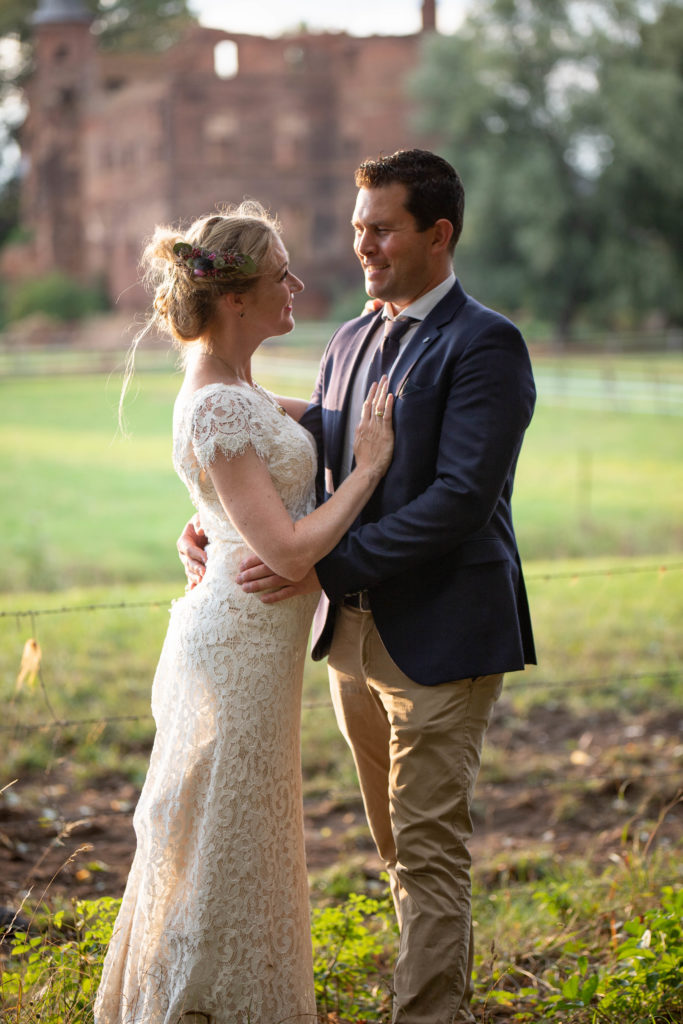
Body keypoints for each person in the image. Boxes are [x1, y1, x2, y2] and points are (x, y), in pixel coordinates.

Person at [179, 149, 537, 1024]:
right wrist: (215, 526)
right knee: (391, 845)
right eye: (356, 228)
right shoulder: (349, 338)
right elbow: (289, 443)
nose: (362, 245)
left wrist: (318, 565)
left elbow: (459, 501)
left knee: (425, 852)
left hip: (443, 634)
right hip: (349, 643)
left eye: (381, 228)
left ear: (438, 233)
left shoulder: (485, 344)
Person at [95, 201, 395, 1024]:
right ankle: (202, 1003)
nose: (296, 285)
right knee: (225, 827)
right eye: (281, 277)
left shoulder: (238, 388)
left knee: (242, 827)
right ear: (235, 300)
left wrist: (211, 522)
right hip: (235, 639)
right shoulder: (217, 402)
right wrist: (366, 472)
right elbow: (292, 551)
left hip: (251, 634)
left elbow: (294, 442)